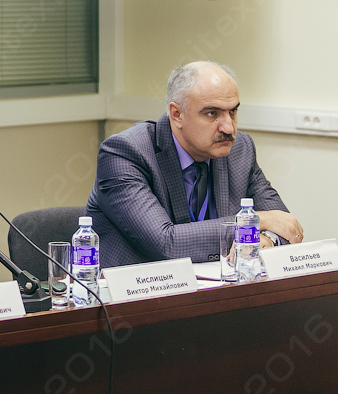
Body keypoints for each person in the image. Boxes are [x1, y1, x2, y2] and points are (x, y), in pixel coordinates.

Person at [86, 62, 304, 268]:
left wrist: (268, 239)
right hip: (139, 291)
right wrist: (254, 221)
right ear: (177, 114)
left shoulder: (239, 150)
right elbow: (166, 243)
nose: (229, 128)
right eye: (212, 113)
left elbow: (286, 224)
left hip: (215, 288)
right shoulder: (125, 153)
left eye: (233, 112)